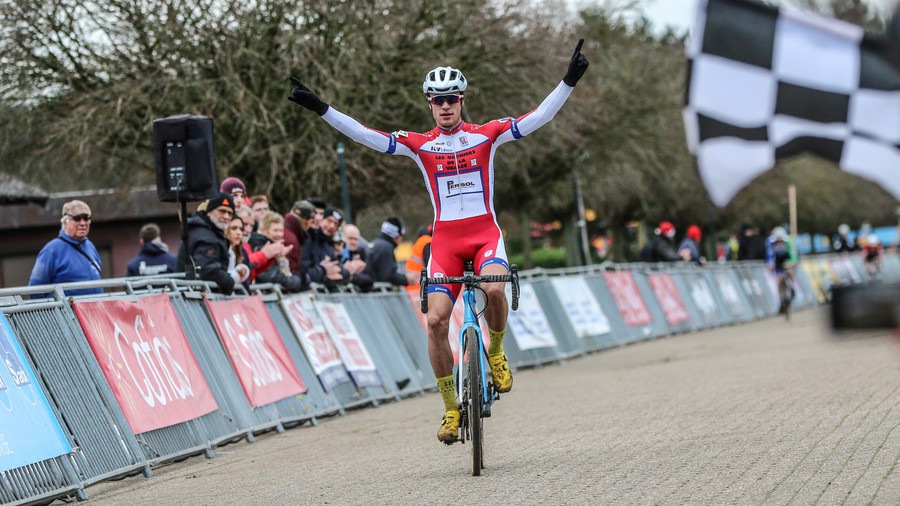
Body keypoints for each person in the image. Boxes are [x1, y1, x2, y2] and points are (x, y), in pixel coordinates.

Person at [288, 40, 588, 444]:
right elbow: (364, 135)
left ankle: (496, 353)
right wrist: (322, 108)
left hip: (484, 235)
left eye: (451, 99)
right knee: (434, 322)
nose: (445, 106)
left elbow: (537, 118)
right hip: (445, 240)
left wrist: (567, 82)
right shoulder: (419, 144)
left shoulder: (487, 135)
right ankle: (450, 409)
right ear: (429, 105)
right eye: (437, 100)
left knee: (495, 288)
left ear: (462, 101)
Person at [29, 199, 103, 297]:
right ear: (65, 222)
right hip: (65, 311)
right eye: (77, 218)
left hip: (94, 310)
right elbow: (35, 290)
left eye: (86, 218)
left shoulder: (90, 246)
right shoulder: (51, 250)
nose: (83, 223)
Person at [175, 192, 238, 294]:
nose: (226, 216)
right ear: (209, 212)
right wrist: (230, 282)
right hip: (194, 298)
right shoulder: (205, 237)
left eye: (230, 213)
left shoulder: (209, 232)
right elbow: (209, 270)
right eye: (222, 211)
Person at [249, 211, 307, 292]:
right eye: (275, 230)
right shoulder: (258, 245)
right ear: (264, 230)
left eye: (281, 230)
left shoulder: (277, 247)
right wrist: (295, 281)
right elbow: (270, 275)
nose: (279, 234)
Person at [364, 217, 418, 289]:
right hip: (377, 293)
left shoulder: (377, 244)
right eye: (401, 236)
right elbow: (387, 276)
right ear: (396, 235)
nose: (401, 239)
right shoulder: (386, 247)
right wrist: (406, 278)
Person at [299, 207, 346, 288]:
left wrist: (341, 272)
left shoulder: (328, 247)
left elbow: (336, 269)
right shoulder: (307, 240)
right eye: (329, 221)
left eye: (336, 224)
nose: (331, 226)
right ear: (320, 220)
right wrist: (323, 271)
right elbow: (303, 272)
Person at [766, 226, 797, 313]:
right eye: (777, 240)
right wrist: (770, 264)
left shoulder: (788, 241)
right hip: (777, 261)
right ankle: (781, 300)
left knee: (789, 271)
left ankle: (792, 286)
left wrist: (793, 262)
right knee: (778, 278)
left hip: (786, 258)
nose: (779, 241)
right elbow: (769, 255)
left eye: (781, 240)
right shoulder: (770, 242)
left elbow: (793, 254)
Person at [283, 200, 316, 274]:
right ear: (307, 221)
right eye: (311, 222)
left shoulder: (285, 230)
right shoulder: (291, 240)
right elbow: (293, 269)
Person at [341, 224, 373, 291]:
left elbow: (370, 278)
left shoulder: (363, 253)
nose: (353, 242)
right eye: (350, 238)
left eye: (356, 239)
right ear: (343, 237)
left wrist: (352, 277)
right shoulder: (338, 252)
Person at [404, 225, 433, 293]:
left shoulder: (419, 242)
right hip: (420, 287)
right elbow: (430, 264)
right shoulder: (427, 241)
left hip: (413, 286)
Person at [226, 217, 251, 292]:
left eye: (241, 229)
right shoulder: (221, 249)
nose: (239, 233)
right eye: (234, 228)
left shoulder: (241, 252)